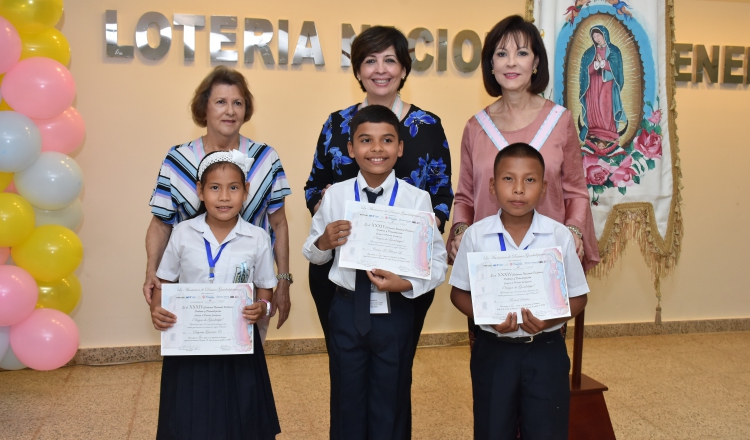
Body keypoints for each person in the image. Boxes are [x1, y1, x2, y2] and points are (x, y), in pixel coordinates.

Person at [448, 15, 599, 345]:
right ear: (490, 65)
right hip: (491, 267)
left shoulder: (559, 122)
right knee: (491, 376)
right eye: (501, 54)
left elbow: (575, 189)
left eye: (521, 53)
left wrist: (574, 231)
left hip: (542, 266)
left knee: (542, 369)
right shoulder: (476, 127)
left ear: (536, 63)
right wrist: (460, 232)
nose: (511, 62)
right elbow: (465, 197)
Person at [303, 26, 453, 355]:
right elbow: (314, 187)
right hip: (342, 271)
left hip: (404, 274)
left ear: (403, 69)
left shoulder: (427, 126)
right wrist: (330, 218)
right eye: (370, 61)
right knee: (345, 370)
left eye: (390, 60)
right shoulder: (337, 124)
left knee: (396, 370)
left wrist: (419, 234)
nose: (381, 69)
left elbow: (441, 195)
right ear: (358, 70)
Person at [303, 106, 448, 439]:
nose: (377, 149)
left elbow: (437, 263)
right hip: (345, 308)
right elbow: (312, 251)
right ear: (351, 148)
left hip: (393, 312)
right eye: (366, 140)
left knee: (391, 397)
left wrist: (407, 283)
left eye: (387, 140)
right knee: (346, 398)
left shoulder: (417, 200)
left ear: (400, 147)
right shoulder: (335, 196)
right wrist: (325, 241)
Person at [449, 143, 589, 440]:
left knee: (546, 429)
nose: (518, 189)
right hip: (494, 350)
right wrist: (486, 317)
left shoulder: (558, 236)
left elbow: (578, 296)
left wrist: (550, 321)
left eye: (530, 180)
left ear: (544, 187)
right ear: (492, 185)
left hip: (545, 350)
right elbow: (458, 293)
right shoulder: (476, 235)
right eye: (508, 179)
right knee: (492, 428)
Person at [144, 66, 293, 342]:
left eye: (238, 103)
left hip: (247, 299)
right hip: (192, 297)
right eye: (221, 102)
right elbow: (161, 222)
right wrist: (152, 270)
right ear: (204, 108)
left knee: (244, 372)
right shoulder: (178, 159)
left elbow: (279, 223)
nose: (230, 111)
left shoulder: (266, 158)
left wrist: (282, 278)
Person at [150, 150, 280, 439]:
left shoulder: (257, 237)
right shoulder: (183, 233)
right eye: (214, 188)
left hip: (239, 343)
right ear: (200, 191)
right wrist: (157, 309)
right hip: (191, 343)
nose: (224, 197)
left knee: (241, 411)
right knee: (189, 412)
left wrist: (262, 306)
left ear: (246, 192)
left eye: (233, 188)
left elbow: (265, 286)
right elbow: (164, 281)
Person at [579, 25, 627, 157]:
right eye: (594, 37)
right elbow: (584, 71)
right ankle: (593, 134)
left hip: (607, 83)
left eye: (598, 35)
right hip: (593, 84)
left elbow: (617, 69)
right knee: (593, 107)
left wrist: (604, 63)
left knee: (605, 107)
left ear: (604, 34)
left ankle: (609, 134)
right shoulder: (589, 52)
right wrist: (594, 66)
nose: (596, 38)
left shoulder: (614, 50)